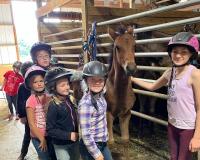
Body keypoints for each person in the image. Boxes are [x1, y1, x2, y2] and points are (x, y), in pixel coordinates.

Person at [131, 32, 200, 160]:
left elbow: (199, 108)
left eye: (184, 52)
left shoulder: (195, 74)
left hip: (187, 128)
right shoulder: (169, 72)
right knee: (174, 157)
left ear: (191, 53)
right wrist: (133, 79)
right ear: (170, 53)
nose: (178, 55)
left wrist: (197, 137)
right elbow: (152, 87)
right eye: (175, 51)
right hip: (172, 125)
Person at [78, 61, 113, 160]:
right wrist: (96, 154)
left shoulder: (100, 95)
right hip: (91, 145)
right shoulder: (86, 104)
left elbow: (102, 86)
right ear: (86, 81)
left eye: (100, 80)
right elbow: (85, 134)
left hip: (102, 142)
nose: (97, 83)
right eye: (92, 80)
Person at [45, 67, 80, 160]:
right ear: (53, 87)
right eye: (62, 85)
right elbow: (50, 130)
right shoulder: (53, 106)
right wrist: (68, 135)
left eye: (67, 84)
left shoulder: (71, 100)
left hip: (75, 141)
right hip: (60, 145)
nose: (67, 87)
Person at [24, 65, 50, 160]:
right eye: (35, 82)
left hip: (50, 134)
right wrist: (42, 139)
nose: (39, 84)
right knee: (45, 157)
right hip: (38, 137)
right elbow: (31, 124)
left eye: (41, 81)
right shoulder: (30, 101)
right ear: (30, 85)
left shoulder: (49, 97)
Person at [16, 61, 33, 160]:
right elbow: (20, 102)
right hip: (28, 115)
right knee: (28, 135)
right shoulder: (22, 86)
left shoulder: (39, 83)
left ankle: (42, 152)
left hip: (40, 114)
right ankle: (23, 153)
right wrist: (22, 115)